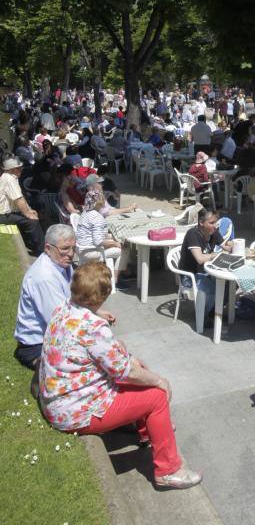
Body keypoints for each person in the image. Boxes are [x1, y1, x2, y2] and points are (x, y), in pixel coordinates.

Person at [39, 261, 201, 489]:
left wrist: (131, 358)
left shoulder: (63, 309)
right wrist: (160, 380)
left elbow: (113, 357)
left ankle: (147, 433)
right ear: (103, 295)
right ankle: (168, 470)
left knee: (137, 364)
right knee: (156, 396)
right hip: (75, 412)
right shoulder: (94, 327)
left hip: (60, 399)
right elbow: (124, 372)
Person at [13, 224, 115, 369]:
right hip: (36, 346)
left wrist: (97, 312)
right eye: (65, 249)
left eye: (73, 248)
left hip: (55, 335)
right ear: (48, 248)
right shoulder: (44, 277)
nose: (71, 253)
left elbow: (71, 302)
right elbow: (62, 322)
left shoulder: (61, 264)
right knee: (94, 365)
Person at [179, 208, 234, 323]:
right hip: (190, 276)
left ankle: (213, 311)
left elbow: (226, 247)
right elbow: (199, 259)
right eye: (211, 223)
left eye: (216, 222)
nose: (215, 226)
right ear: (201, 223)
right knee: (216, 288)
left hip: (206, 272)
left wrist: (234, 245)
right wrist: (216, 254)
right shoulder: (193, 234)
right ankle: (202, 316)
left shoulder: (213, 232)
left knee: (232, 284)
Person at [76, 191, 131, 287]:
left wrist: (110, 238)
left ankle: (121, 273)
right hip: (91, 251)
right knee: (124, 248)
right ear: (99, 202)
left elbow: (94, 235)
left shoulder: (85, 213)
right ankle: (115, 280)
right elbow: (98, 242)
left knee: (114, 241)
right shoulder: (97, 217)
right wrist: (115, 243)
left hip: (81, 249)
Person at [0, 155, 44, 255]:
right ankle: (41, 251)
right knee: (31, 222)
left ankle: (33, 245)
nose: (21, 169)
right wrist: (28, 214)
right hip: (3, 215)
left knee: (30, 216)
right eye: (19, 167)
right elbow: (18, 200)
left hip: (8, 213)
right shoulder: (9, 179)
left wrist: (29, 209)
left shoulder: (11, 177)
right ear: (13, 169)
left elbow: (20, 197)